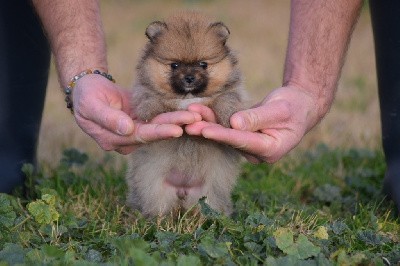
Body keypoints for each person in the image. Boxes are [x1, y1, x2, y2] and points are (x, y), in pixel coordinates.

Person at [2, 0, 399, 214]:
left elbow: (231, 105)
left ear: (224, 55)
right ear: (152, 57)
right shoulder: (148, 90)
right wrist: (86, 73)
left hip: (207, 179)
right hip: (160, 176)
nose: (189, 77)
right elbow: (145, 104)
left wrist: (246, 111)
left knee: (213, 200)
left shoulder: (225, 91)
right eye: (174, 66)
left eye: (203, 66)